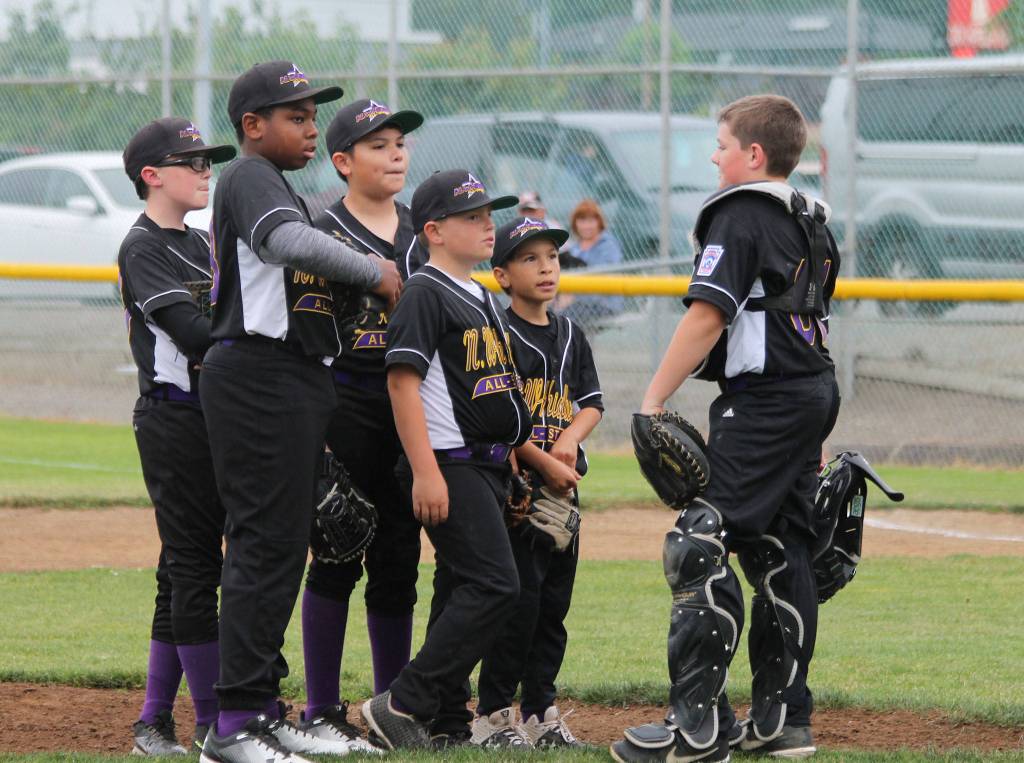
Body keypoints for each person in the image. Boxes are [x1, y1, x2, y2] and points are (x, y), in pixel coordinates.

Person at [610, 94, 841, 763]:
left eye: (722, 145)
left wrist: (653, 398)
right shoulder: (811, 217)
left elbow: (709, 315)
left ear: (754, 154)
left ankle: (696, 731)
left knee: (697, 540)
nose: (715, 157)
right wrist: (810, 429)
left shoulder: (741, 212)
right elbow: (803, 319)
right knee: (780, 545)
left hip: (765, 400)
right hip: (808, 390)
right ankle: (782, 719)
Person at [197, 61, 402, 763]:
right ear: (252, 126)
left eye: (314, 117)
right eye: (296, 116)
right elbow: (283, 243)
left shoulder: (280, 187)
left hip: (290, 378)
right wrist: (373, 270)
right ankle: (232, 725)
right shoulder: (250, 175)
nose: (311, 128)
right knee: (262, 546)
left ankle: (260, 708)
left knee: (282, 549)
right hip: (259, 375)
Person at [360, 169, 531, 750]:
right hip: (448, 463)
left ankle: (447, 721)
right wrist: (426, 470)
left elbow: (491, 387)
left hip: (485, 464)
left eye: (488, 214)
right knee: (495, 585)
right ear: (433, 231)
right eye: (471, 217)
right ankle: (403, 701)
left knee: (461, 587)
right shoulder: (425, 293)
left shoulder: (480, 294)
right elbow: (402, 385)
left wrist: (510, 461)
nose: (487, 225)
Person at [299, 97, 425, 750]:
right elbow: (305, 336)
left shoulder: (424, 235)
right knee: (337, 549)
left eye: (399, 142)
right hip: (344, 405)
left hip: (411, 411)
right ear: (343, 162)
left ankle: (389, 709)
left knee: (399, 561)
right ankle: (321, 709)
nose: (396, 153)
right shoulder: (320, 234)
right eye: (378, 145)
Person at [118, 117, 235, 756]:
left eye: (207, 161)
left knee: (179, 569)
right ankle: (215, 722)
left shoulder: (203, 241)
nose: (204, 171)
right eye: (191, 162)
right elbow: (193, 334)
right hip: (174, 419)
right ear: (152, 175)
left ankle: (153, 721)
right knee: (195, 567)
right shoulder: (143, 247)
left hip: (214, 416)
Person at [471, 216, 603, 749]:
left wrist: (569, 439)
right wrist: (544, 461)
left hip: (562, 490)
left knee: (553, 607)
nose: (547, 267)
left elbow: (591, 403)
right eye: (530, 258)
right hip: (518, 492)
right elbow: (496, 418)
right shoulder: (496, 334)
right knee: (519, 605)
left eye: (551, 256)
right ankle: (492, 714)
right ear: (502, 275)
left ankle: (540, 711)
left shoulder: (572, 334)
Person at [559, 198, 624, 328]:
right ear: (575, 223)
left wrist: (573, 296)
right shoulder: (575, 248)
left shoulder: (607, 245)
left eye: (591, 221)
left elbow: (604, 279)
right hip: (575, 304)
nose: (586, 226)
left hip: (603, 304)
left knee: (563, 320)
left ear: (599, 222)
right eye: (582, 221)